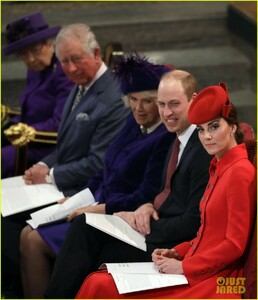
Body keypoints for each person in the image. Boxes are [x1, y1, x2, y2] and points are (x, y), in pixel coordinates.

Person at [78, 82, 257, 299]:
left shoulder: (239, 171)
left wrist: (185, 266)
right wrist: (177, 252)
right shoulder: (219, 167)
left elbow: (234, 245)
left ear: (233, 128)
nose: (207, 136)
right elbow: (208, 234)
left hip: (221, 279)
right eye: (201, 129)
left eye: (214, 126)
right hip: (198, 264)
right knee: (99, 280)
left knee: (101, 285)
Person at [44, 69, 212, 298]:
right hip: (155, 228)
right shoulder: (178, 137)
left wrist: (141, 225)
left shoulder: (202, 147)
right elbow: (166, 193)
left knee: (88, 240)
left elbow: (194, 222)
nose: (166, 113)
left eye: (174, 104)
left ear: (193, 100)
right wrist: (148, 207)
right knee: (85, 227)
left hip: (173, 247)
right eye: (162, 104)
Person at [19, 54, 175, 299]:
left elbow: (145, 195)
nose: (138, 108)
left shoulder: (164, 138)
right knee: (26, 232)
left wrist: (98, 209)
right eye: (133, 99)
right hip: (96, 203)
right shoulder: (133, 123)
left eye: (147, 101)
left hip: (121, 219)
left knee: (34, 242)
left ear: (161, 103)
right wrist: (75, 199)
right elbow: (105, 169)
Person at [1, 23, 128, 296]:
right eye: (64, 62)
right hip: (60, 184)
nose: (69, 68)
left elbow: (98, 162)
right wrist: (44, 164)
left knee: (14, 230)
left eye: (76, 59)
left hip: (81, 192)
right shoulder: (80, 85)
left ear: (95, 53)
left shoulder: (113, 97)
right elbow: (66, 144)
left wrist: (49, 176)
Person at [1, 12, 75, 178]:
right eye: (24, 55)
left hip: (46, 145)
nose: (31, 59)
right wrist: (11, 120)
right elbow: (31, 108)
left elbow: (60, 124)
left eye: (35, 50)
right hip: (25, 136)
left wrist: (26, 131)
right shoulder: (36, 69)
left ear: (51, 44)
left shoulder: (64, 71)